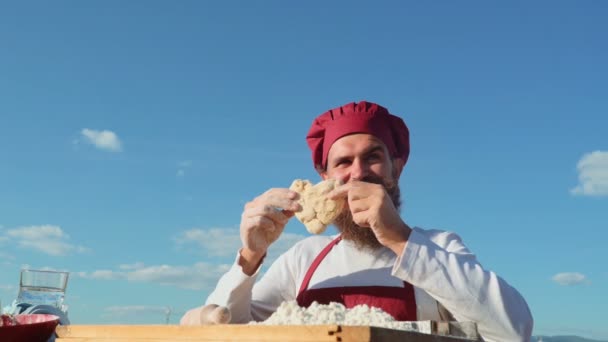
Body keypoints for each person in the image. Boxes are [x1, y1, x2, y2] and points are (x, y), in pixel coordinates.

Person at [181, 101, 534, 341]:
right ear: (324, 178)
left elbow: (512, 330)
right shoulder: (304, 259)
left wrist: (398, 238)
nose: (358, 173)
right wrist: (249, 257)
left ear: (397, 168)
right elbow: (225, 331)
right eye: (343, 163)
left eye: (373, 157)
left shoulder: (439, 248)